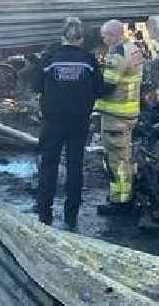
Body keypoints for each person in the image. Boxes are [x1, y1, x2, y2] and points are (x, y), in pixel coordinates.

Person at [32, 17, 104, 230]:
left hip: (52, 121)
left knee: (49, 166)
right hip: (79, 121)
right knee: (75, 167)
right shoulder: (89, 60)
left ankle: (44, 214)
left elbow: (36, 86)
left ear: (62, 36)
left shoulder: (49, 58)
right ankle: (71, 216)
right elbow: (99, 89)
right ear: (81, 39)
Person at [94, 19, 143, 214]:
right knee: (124, 157)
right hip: (128, 112)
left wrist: (90, 82)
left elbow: (107, 86)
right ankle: (124, 195)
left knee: (116, 160)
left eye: (105, 36)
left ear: (114, 35)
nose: (103, 40)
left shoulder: (117, 53)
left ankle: (121, 202)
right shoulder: (133, 49)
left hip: (116, 115)